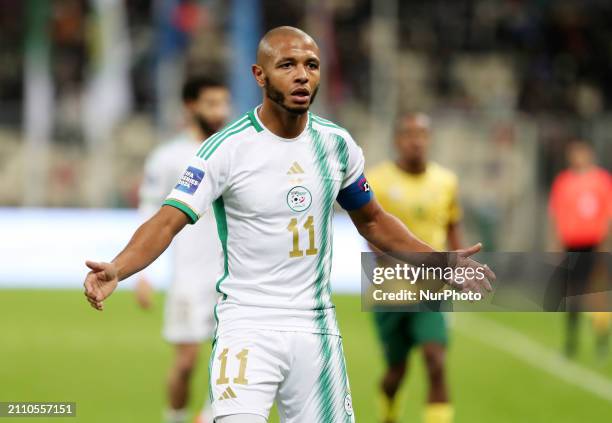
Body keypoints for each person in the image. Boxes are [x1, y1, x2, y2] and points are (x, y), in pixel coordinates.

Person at [83, 26, 493, 423]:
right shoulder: (226, 149)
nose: (302, 74)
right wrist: (120, 267)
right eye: (287, 65)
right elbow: (168, 221)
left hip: (314, 326)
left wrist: (440, 262)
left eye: (311, 65)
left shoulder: (336, 145)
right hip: (246, 325)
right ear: (259, 75)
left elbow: (373, 220)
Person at [135, 76, 231, 423]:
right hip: (189, 276)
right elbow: (150, 213)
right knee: (186, 362)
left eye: (223, 103)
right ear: (191, 106)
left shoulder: (234, 150)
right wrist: (142, 273)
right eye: (211, 103)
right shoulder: (168, 157)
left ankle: (207, 416)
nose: (220, 112)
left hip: (231, 276)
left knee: (230, 363)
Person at [367, 113, 461, 423]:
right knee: (396, 371)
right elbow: (372, 233)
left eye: (422, 133)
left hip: (431, 288)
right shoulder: (377, 180)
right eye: (409, 134)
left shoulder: (446, 181)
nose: (416, 140)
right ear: (397, 140)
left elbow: (452, 226)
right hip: (390, 287)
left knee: (436, 362)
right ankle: (389, 411)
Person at [548, 140, 611, 358]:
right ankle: (571, 341)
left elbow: (607, 213)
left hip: (594, 243)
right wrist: (556, 244)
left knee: (597, 293)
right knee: (572, 293)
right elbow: (557, 214)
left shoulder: (602, 180)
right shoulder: (563, 181)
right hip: (571, 244)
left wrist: (605, 242)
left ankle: (602, 339)